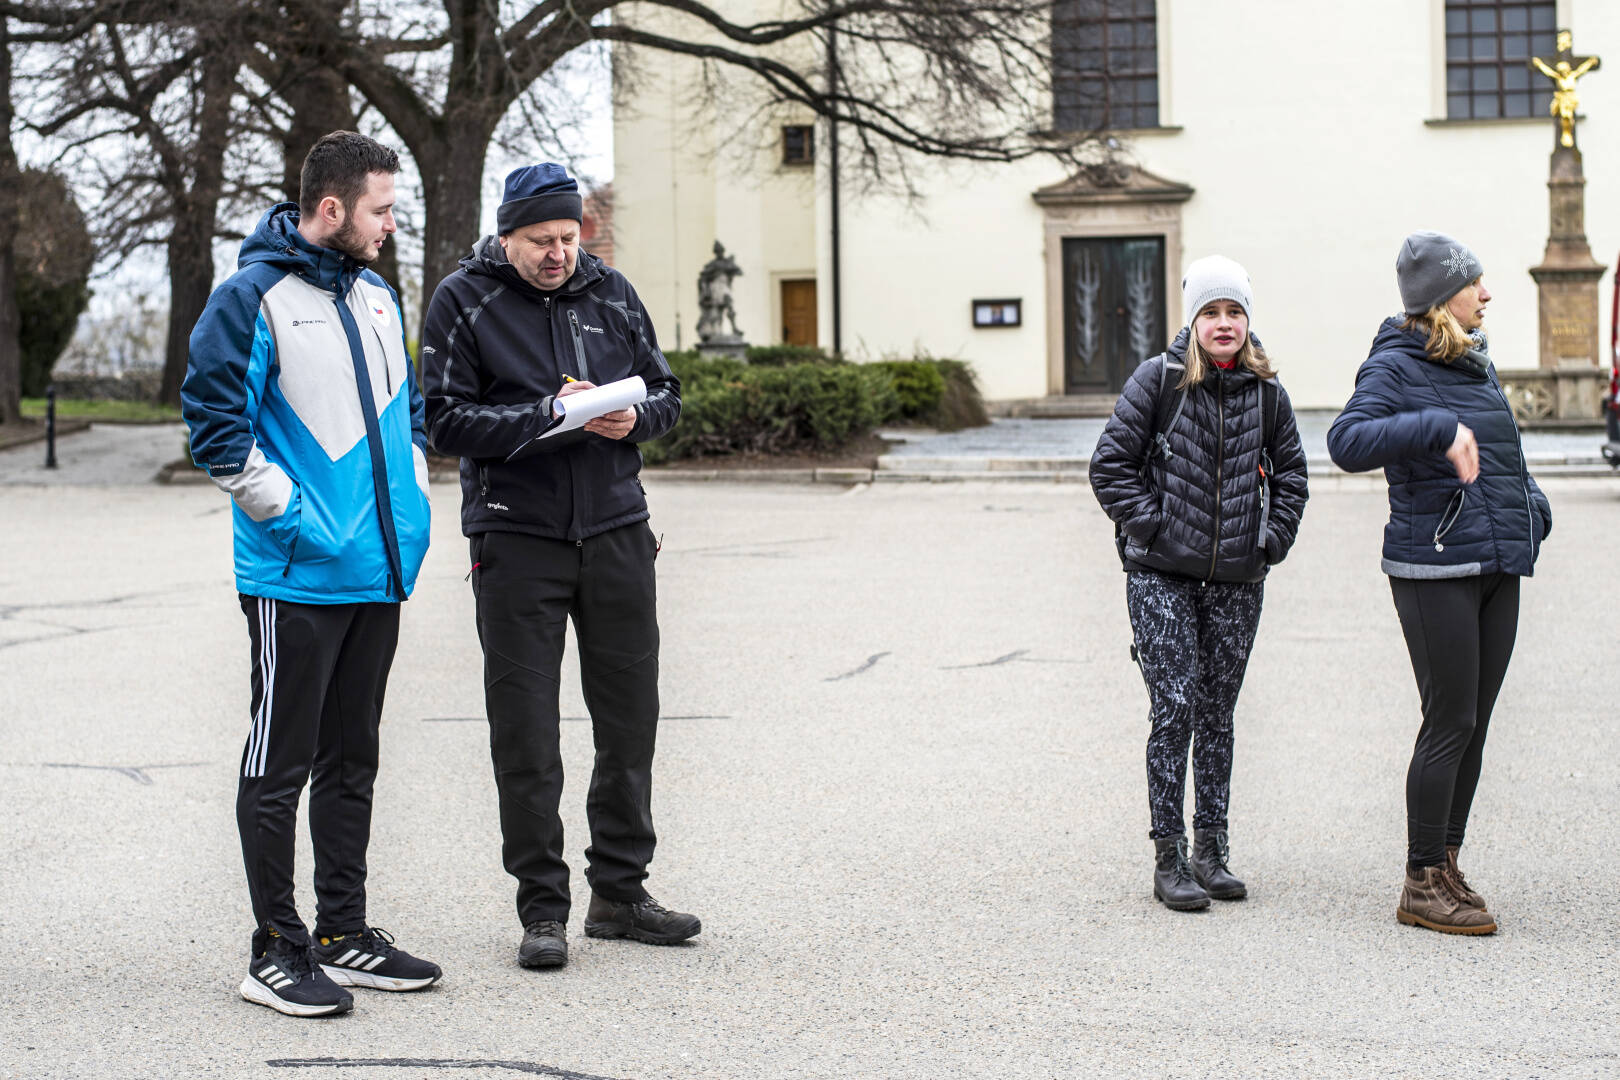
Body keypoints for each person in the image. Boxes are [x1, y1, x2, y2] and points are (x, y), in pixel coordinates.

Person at [182, 131, 439, 1016]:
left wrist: (414, 504)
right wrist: (295, 519)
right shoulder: (250, 298)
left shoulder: (377, 296)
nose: (391, 225)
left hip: (378, 572)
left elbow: (405, 418)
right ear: (332, 209)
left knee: (352, 758)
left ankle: (342, 932)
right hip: (295, 576)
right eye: (381, 210)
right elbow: (215, 429)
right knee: (280, 760)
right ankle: (275, 949)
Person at [420, 162, 694, 969]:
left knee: (629, 723)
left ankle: (621, 894)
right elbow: (443, 422)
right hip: (516, 541)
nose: (558, 254)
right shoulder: (462, 300)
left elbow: (669, 394)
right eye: (541, 239)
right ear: (506, 235)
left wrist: (634, 418)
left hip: (617, 533)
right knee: (527, 735)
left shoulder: (613, 293)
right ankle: (542, 909)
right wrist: (545, 416)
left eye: (569, 237)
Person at [1327, 232, 1551, 936]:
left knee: (1474, 722)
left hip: (1498, 563)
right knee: (1449, 720)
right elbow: (1346, 441)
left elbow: (1502, 452)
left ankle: (1447, 863)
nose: (1486, 294)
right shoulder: (1395, 363)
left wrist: (1533, 507)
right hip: (1434, 566)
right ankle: (1420, 880)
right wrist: (1431, 426)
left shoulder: (1473, 360)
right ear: (1440, 298)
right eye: (1473, 283)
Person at [1090, 255, 1309, 912]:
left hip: (1238, 580)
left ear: (1247, 321)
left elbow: (1293, 476)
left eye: (1234, 311)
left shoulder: (1267, 394)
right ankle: (1170, 856)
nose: (1223, 323)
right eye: (1211, 312)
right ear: (1193, 321)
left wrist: (1270, 541)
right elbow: (1109, 466)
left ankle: (1212, 852)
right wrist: (1153, 528)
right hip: (1161, 575)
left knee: (1218, 713)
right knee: (1176, 707)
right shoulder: (1157, 380)